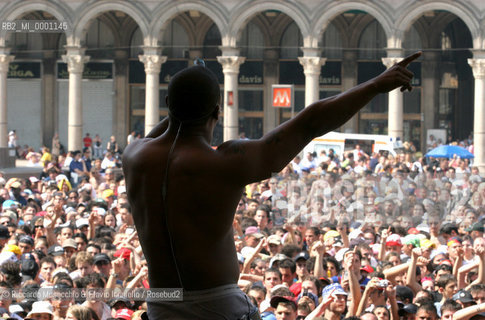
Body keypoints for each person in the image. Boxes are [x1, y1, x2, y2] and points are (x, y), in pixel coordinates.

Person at [122, 53, 421, 319]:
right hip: (218, 307)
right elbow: (311, 122)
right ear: (216, 112)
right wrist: (375, 85)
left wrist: (189, 91)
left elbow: (167, 128)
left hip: (161, 304)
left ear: (167, 106)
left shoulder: (134, 156)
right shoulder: (224, 163)